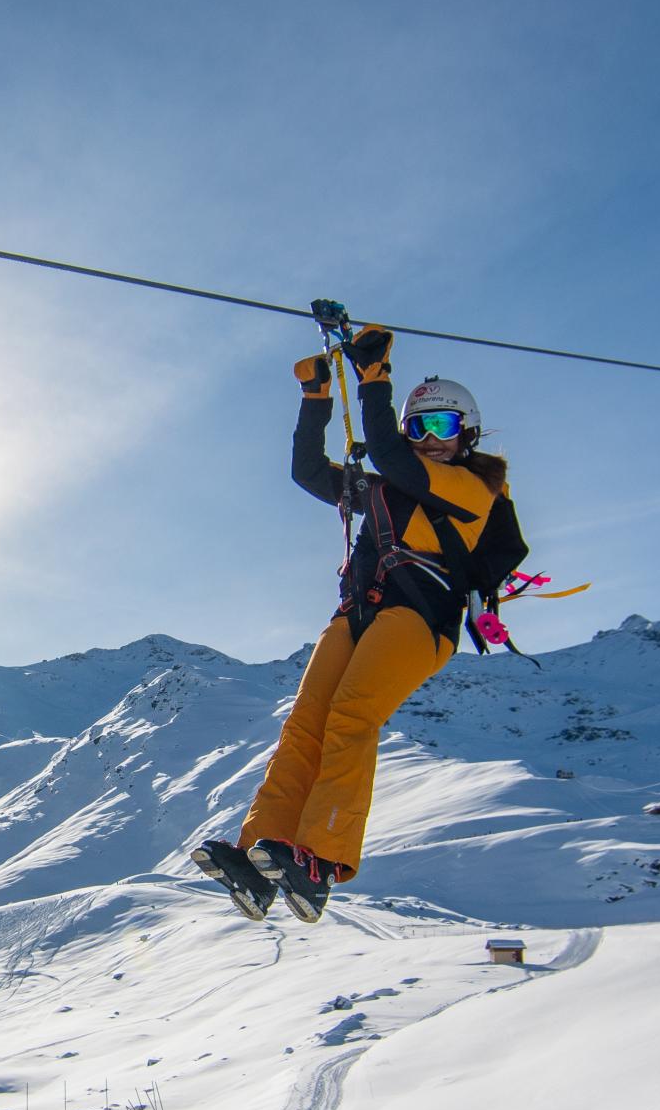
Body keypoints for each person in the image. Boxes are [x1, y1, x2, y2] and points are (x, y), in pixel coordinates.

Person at [194, 322, 528, 923]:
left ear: (467, 436)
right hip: (360, 611)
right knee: (305, 725)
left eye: (442, 427)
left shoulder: (476, 491)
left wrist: (376, 380)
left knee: (351, 717)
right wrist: (316, 399)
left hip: (422, 616)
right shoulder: (382, 490)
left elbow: (391, 457)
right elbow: (306, 471)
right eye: (419, 427)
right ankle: (260, 855)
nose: (429, 440)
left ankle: (321, 857)